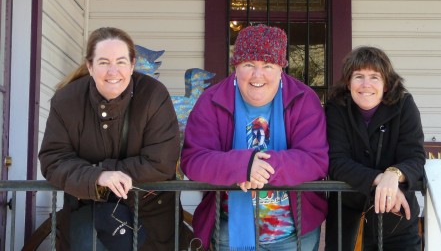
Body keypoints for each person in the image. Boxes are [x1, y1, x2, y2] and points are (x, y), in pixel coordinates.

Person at [39, 27, 189, 250]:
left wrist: (107, 172)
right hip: (87, 213)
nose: (113, 71)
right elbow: (53, 160)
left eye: (120, 61)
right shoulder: (66, 100)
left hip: (148, 213)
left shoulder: (153, 95)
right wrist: (97, 177)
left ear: (132, 64)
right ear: (90, 66)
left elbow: (162, 162)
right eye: (103, 62)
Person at [180, 24, 328, 251]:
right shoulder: (211, 101)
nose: (257, 75)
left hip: (294, 235)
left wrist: (262, 167)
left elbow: (316, 160)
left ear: (281, 68)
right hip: (229, 232)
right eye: (249, 64)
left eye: (267, 65)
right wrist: (244, 165)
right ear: (236, 66)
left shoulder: (303, 99)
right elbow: (193, 160)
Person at [325, 46, 425, 251]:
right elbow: (336, 162)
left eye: (374, 77)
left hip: (397, 221)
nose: (366, 84)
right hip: (348, 220)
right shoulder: (336, 107)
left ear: (386, 84)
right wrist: (381, 179)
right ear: (348, 82)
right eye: (358, 76)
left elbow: (414, 157)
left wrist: (394, 174)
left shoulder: (404, 105)